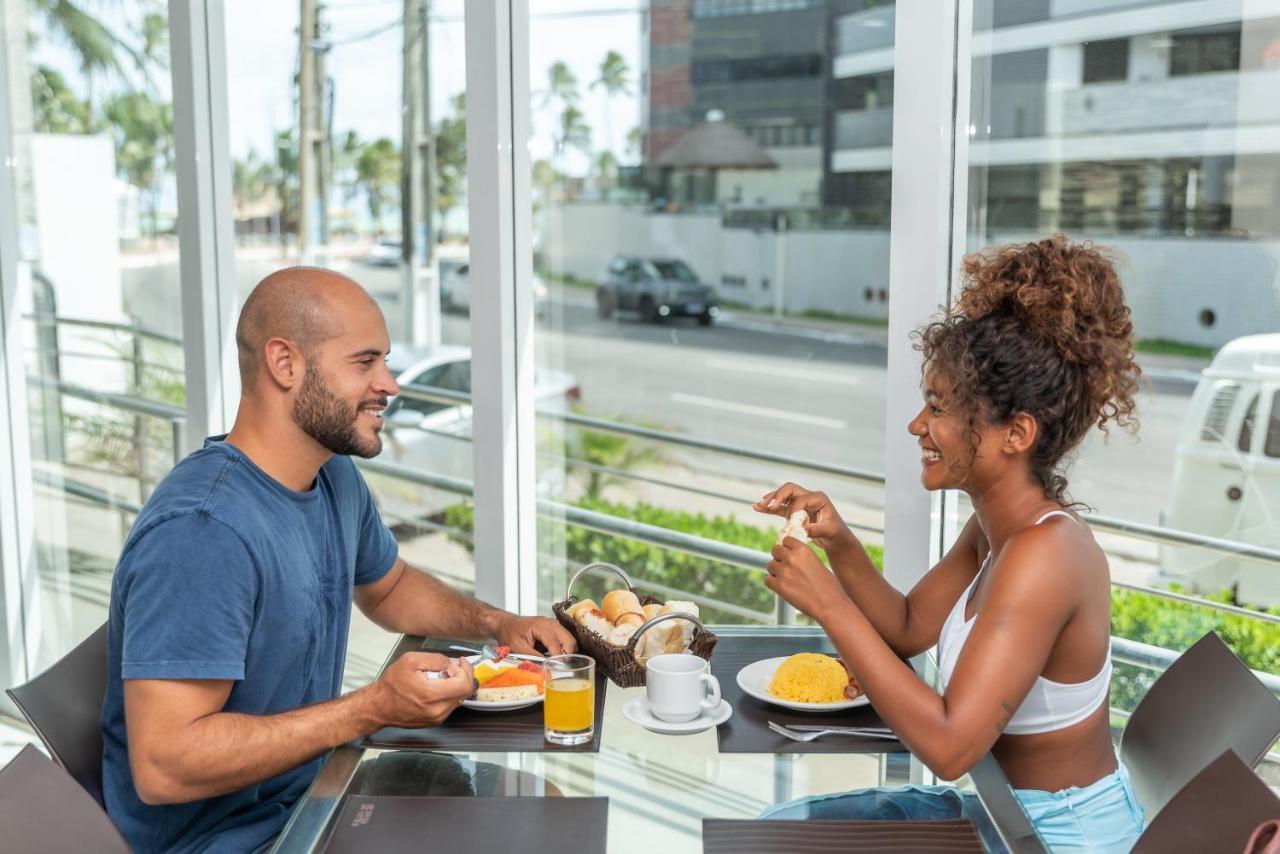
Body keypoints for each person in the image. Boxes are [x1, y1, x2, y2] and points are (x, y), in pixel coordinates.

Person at [101, 267, 576, 853]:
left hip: (319, 792)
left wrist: (496, 624)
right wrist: (371, 708)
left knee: (553, 816)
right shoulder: (203, 532)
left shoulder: (329, 474)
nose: (390, 383)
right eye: (365, 362)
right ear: (285, 364)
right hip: (242, 841)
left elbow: (388, 584)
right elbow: (163, 766)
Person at [755, 236, 1145, 852]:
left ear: (1015, 433)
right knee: (773, 835)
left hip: (1052, 837)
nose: (918, 425)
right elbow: (910, 626)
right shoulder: (997, 528)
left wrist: (828, 603)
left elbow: (949, 744)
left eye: (936, 406)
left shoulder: (1046, 557)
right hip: (1001, 812)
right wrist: (841, 545)